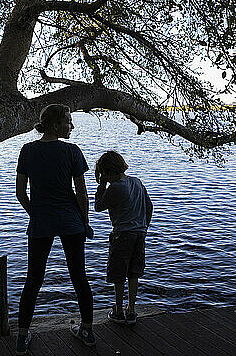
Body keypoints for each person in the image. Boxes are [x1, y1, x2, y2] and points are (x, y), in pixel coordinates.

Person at [15, 104, 95, 355]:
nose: (71, 126)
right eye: (68, 121)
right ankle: (87, 330)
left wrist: (36, 213)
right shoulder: (72, 151)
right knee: (79, 277)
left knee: (33, 279)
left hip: (42, 222)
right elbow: (82, 193)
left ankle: (22, 336)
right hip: (71, 220)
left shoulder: (28, 150)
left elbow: (20, 192)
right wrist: (85, 222)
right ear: (54, 124)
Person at [94, 151, 152, 325]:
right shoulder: (137, 182)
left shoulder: (116, 187)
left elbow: (98, 206)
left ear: (108, 172)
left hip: (122, 234)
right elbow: (149, 206)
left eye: (102, 174)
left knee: (118, 272)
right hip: (140, 233)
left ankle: (119, 311)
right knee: (134, 272)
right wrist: (144, 226)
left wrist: (101, 186)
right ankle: (131, 309)